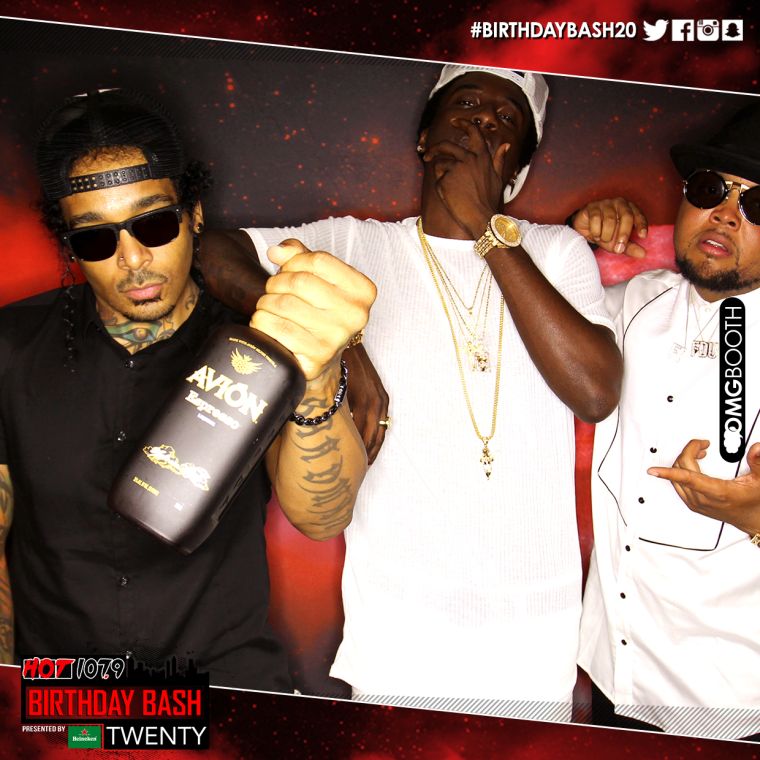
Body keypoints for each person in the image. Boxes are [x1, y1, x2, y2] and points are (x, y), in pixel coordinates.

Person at [200, 64, 623, 717]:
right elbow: (210, 254)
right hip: (398, 640)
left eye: (505, 120)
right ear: (426, 137)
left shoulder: (556, 250)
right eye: (465, 104)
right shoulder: (353, 243)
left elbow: (594, 391)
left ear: (517, 171)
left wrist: (484, 226)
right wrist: (340, 340)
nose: (481, 120)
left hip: (534, 643)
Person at [0, 89, 376, 691]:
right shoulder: (10, 346)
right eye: (96, 238)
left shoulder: (261, 346)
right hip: (69, 699)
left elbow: (322, 518)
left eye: (153, 223)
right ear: (70, 245)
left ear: (193, 215)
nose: (132, 259)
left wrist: (318, 375)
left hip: (222, 690)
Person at [576, 102, 760, 740]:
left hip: (732, 703)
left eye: (758, 205)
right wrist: (574, 237)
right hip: (614, 676)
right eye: (711, 189)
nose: (726, 215)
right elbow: (528, 308)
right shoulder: (628, 302)